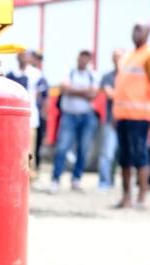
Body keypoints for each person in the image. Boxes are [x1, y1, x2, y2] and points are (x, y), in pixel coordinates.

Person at [113, 22, 150, 209]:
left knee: (140, 157)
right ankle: (126, 198)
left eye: (139, 29)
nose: (135, 33)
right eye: (134, 29)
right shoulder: (128, 56)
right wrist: (115, 114)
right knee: (124, 158)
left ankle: (142, 198)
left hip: (140, 116)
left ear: (148, 33)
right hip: (123, 115)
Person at [49, 50, 99, 193]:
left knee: (83, 149)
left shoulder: (93, 75)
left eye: (86, 58)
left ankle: (76, 179)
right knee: (62, 148)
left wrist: (73, 90)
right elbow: (64, 88)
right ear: (78, 58)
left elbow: (93, 94)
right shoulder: (69, 72)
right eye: (81, 58)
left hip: (86, 116)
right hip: (69, 116)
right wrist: (84, 91)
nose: (83, 61)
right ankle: (56, 179)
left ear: (89, 61)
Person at [5, 51, 42, 184]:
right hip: (14, 118)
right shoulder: (11, 74)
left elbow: (40, 95)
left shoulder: (36, 74)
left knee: (30, 149)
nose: (24, 58)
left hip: (31, 118)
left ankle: (30, 176)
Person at [98, 49, 123, 190]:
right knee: (107, 153)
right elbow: (110, 94)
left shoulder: (130, 77)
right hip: (110, 120)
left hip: (126, 120)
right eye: (115, 57)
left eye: (120, 57)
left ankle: (114, 181)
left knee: (121, 154)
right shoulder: (107, 76)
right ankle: (104, 182)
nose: (118, 59)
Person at [30, 50, 48, 176]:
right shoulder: (28, 74)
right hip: (31, 113)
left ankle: (35, 171)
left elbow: (45, 97)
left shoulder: (40, 76)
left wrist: (44, 115)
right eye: (35, 58)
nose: (37, 61)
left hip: (38, 115)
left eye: (39, 59)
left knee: (37, 145)